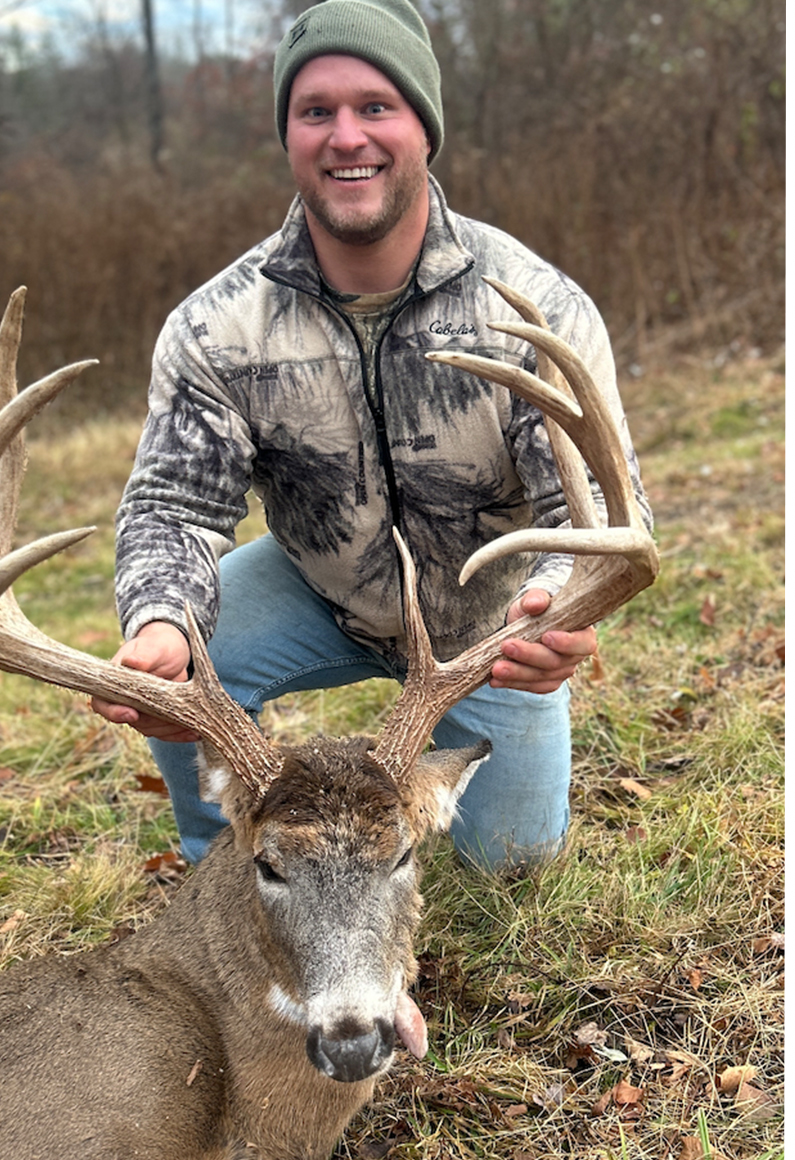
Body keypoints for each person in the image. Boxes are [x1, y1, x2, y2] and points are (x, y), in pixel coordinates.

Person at [91, 0, 642, 875]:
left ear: (423, 128)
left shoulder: (535, 308)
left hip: (485, 630)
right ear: (289, 137)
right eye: (317, 112)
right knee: (191, 658)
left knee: (515, 872)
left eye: (375, 108)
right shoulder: (217, 327)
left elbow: (601, 509)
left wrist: (553, 610)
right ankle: (218, 865)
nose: (347, 136)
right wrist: (162, 623)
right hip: (318, 583)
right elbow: (172, 505)